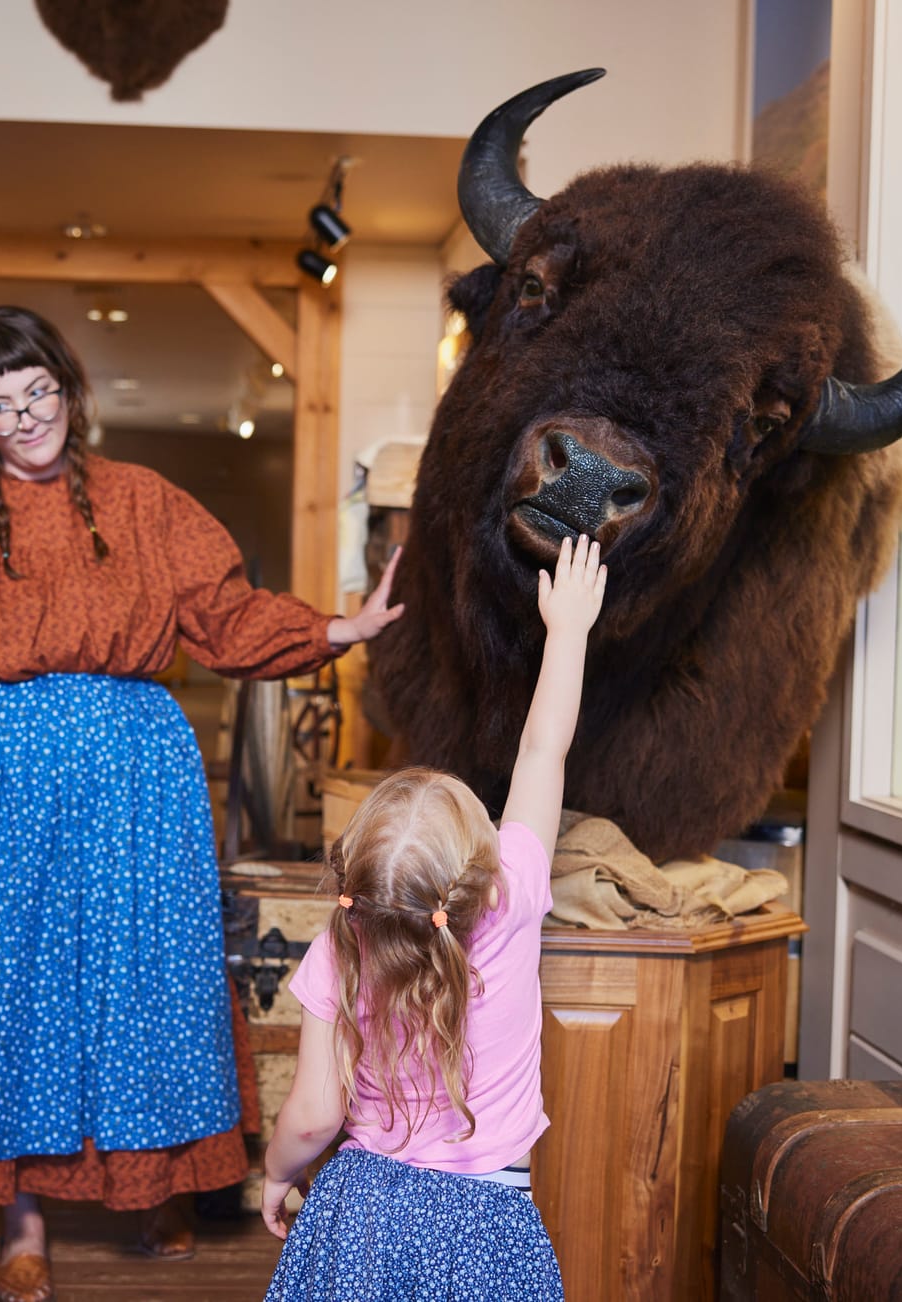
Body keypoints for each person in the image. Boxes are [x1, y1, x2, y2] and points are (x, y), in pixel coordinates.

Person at [0, 305, 404, 1302]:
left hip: (134, 789)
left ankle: (158, 1184)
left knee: (147, 976)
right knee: (7, 995)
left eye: (39, 392)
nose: (26, 418)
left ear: (70, 389)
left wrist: (337, 626)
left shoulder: (143, 501)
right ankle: (22, 1218)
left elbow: (221, 613)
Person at [259, 535, 607, 1300]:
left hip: (361, 1214)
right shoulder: (512, 895)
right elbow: (542, 752)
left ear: (355, 879)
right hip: (489, 1215)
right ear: (478, 862)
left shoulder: (339, 947)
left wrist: (277, 1173)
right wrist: (569, 631)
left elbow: (313, 1116)